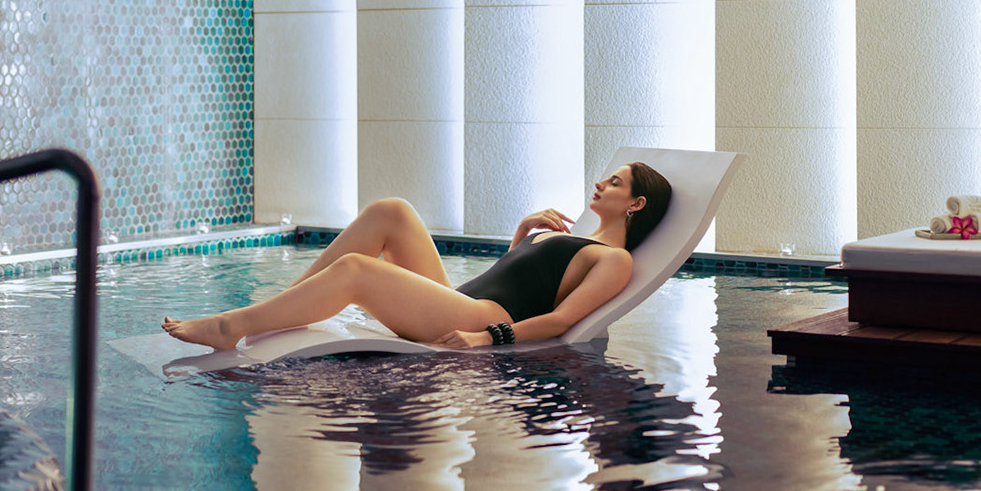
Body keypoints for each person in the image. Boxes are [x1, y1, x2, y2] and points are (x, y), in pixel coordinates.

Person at [162, 162, 672, 352]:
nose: (600, 183)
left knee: (358, 271)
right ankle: (282, 306)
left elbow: (560, 320)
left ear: (636, 204)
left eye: (615, 182)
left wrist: (486, 338)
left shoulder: (616, 260)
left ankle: (231, 327)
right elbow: (517, 278)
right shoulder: (577, 240)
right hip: (461, 299)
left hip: (479, 320)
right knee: (392, 211)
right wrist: (522, 235)